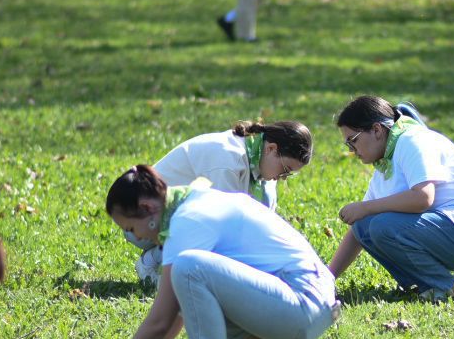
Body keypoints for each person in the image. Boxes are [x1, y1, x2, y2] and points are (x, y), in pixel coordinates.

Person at [85, 165, 339, 339]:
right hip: (310, 304)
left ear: (147, 208)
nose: (137, 238)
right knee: (189, 272)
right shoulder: (195, 202)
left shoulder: (187, 219)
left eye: (131, 228)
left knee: (189, 266)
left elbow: (160, 319)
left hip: (302, 304)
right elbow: (179, 311)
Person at [327, 95, 454, 301]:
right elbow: (360, 228)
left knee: (381, 226)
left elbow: (423, 198)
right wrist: (328, 277)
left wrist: (367, 207)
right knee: (366, 225)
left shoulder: (412, 140)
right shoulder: (385, 162)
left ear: (377, 130)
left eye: (353, 141)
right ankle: (427, 285)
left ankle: (445, 287)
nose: (352, 151)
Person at [124, 120, 314, 284]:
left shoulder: (260, 168)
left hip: (169, 219)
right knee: (220, 230)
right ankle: (152, 261)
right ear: (271, 148)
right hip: (140, 220)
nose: (282, 178)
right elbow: (225, 228)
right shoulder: (229, 160)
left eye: (288, 174)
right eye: (285, 169)